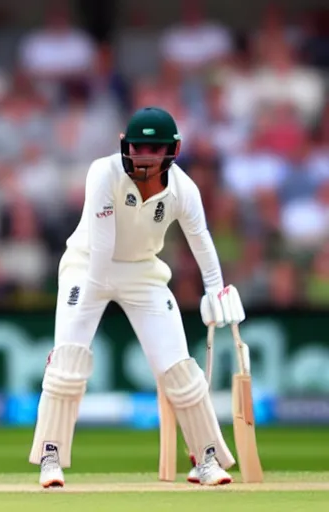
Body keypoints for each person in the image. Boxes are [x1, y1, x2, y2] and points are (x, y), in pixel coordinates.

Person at [28, 107, 245, 488]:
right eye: (139, 146)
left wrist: (216, 292)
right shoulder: (103, 172)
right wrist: (83, 315)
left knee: (180, 368)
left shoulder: (184, 190)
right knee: (67, 363)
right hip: (87, 264)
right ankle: (51, 457)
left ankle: (206, 458)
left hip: (143, 271)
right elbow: (101, 250)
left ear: (172, 150)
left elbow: (202, 243)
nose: (146, 155)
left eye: (155, 148)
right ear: (125, 146)